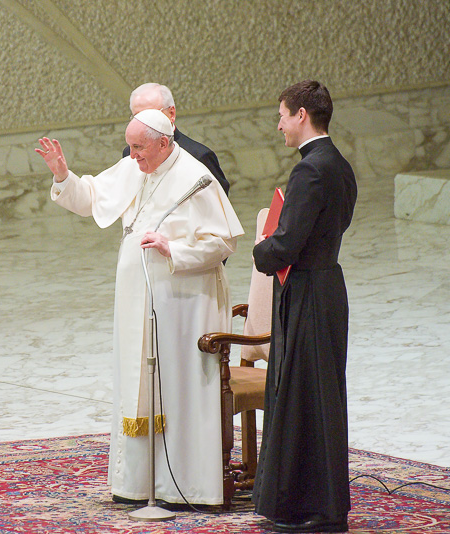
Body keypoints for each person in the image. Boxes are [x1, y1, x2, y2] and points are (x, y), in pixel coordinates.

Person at [36, 110, 244, 506]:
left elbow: (223, 243)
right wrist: (63, 175)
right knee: (140, 386)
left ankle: (185, 488)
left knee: (177, 390)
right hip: (139, 301)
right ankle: (140, 485)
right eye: (130, 147)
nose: (131, 155)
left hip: (184, 306)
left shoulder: (195, 177)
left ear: (164, 142)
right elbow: (91, 197)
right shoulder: (136, 167)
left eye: (138, 147)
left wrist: (173, 248)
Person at [252, 80, 357, 533]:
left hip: (309, 292)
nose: (279, 125)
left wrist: (261, 249)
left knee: (304, 398)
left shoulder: (309, 170)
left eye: (282, 115)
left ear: (300, 115)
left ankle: (311, 507)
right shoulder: (340, 164)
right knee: (320, 396)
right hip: (328, 285)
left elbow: (287, 244)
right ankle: (319, 503)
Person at [123, 83, 229, 195]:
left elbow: (216, 200)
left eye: (152, 115)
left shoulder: (199, 156)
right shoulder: (129, 154)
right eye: (138, 117)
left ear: (171, 113)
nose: (143, 123)